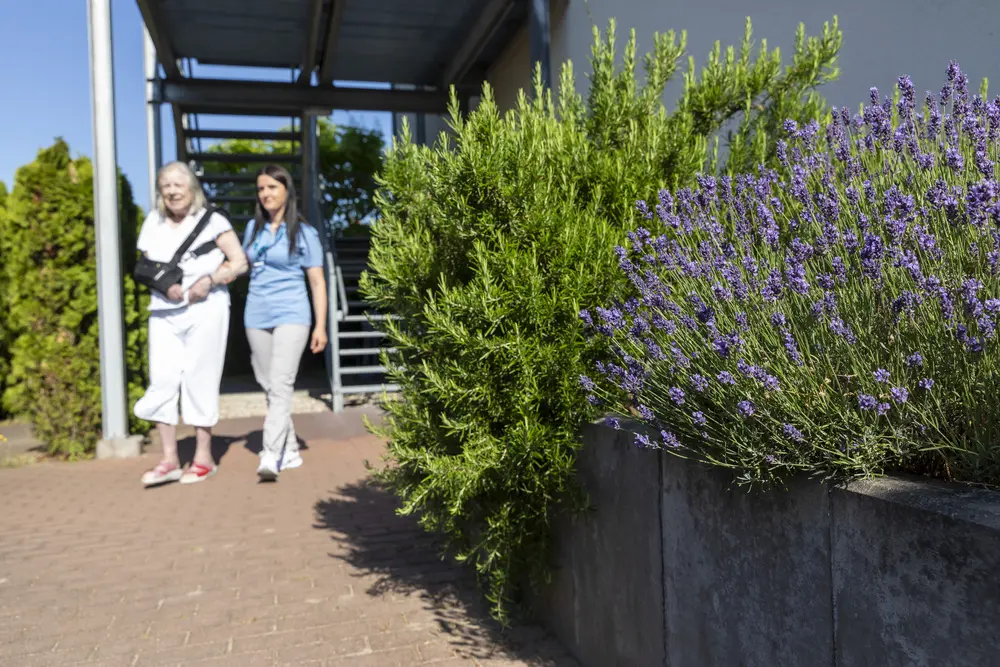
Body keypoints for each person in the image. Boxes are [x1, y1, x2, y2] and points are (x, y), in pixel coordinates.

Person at [134, 161, 248, 487]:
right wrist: (162, 285)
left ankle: (203, 457)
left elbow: (238, 261)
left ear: (191, 188)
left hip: (206, 309)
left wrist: (210, 280)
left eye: (177, 184)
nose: (171, 191)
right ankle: (169, 459)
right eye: (165, 185)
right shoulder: (153, 221)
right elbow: (145, 266)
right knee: (162, 381)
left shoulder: (213, 220)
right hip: (162, 313)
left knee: (200, 378)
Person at [243, 164, 328, 481]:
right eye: (261, 188)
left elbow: (317, 282)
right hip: (256, 315)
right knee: (269, 386)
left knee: (281, 384)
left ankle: (270, 454)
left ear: (286, 191)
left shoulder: (305, 233)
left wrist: (320, 325)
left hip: (292, 313)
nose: (265, 193)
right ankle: (290, 448)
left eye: (271, 188)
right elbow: (240, 264)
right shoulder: (253, 229)